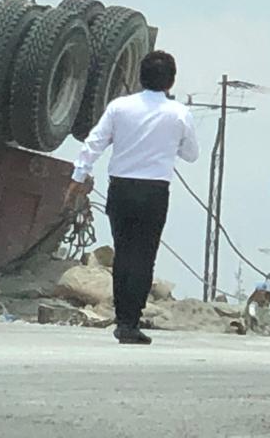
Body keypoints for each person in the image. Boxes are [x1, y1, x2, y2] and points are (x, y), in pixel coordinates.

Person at [66, 50, 199, 345]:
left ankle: (123, 317)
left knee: (123, 252)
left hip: (121, 188)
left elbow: (94, 143)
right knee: (144, 255)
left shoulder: (119, 107)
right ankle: (131, 320)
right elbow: (191, 154)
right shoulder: (178, 113)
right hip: (154, 191)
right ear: (171, 81)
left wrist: (78, 177)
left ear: (140, 77)